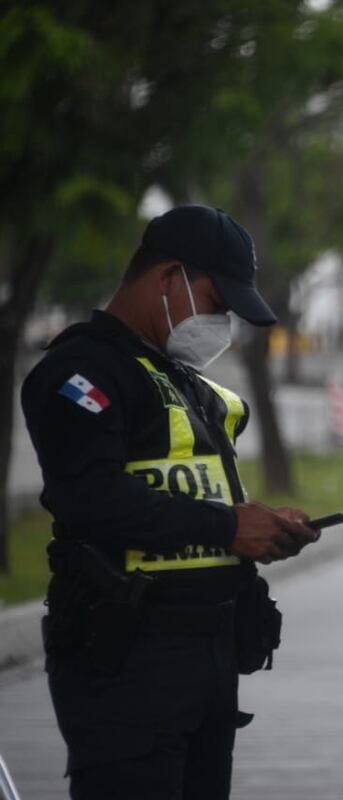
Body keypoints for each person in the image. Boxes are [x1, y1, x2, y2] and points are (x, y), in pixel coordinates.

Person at [21, 205, 321, 800]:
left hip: (206, 654)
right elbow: (91, 496)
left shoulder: (182, 380)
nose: (223, 322)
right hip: (129, 659)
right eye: (216, 303)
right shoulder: (80, 372)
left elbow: (193, 493)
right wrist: (226, 527)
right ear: (168, 279)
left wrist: (259, 526)